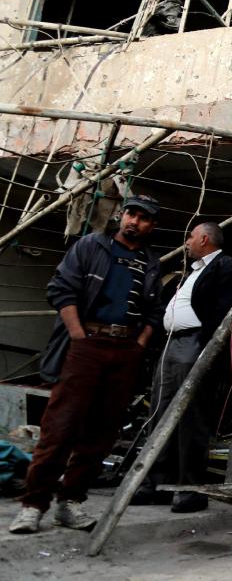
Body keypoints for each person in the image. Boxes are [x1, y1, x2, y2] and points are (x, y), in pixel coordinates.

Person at [9, 195, 163, 534]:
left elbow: (154, 312)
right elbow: (61, 290)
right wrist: (79, 336)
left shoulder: (150, 263)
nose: (134, 222)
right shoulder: (92, 246)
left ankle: (71, 502)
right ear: (122, 216)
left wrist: (138, 344)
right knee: (60, 425)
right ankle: (33, 505)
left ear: (152, 225)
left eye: (142, 218)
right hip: (86, 344)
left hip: (124, 350)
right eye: (130, 214)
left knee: (101, 432)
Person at [132, 222, 232, 513]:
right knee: (159, 412)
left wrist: (207, 348)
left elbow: (224, 311)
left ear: (205, 239)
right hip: (172, 345)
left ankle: (189, 489)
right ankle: (156, 484)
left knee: (190, 418)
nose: (187, 242)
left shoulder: (225, 265)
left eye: (191, 237)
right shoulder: (192, 271)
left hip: (195, 344)